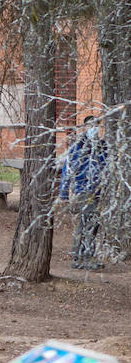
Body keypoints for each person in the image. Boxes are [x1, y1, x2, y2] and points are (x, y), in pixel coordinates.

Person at [59, 114, 107, 270]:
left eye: (96, 126)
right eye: (91, 126)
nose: (94, 129)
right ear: (85, 127)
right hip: (83, 191)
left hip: (98, 191)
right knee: (87, 222)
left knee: (93, 224)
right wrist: (64, 193)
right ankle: (80, 258)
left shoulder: (102, 146)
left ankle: (87, 255)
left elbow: (107, 166)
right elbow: (68, 170)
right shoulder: (78, 147)